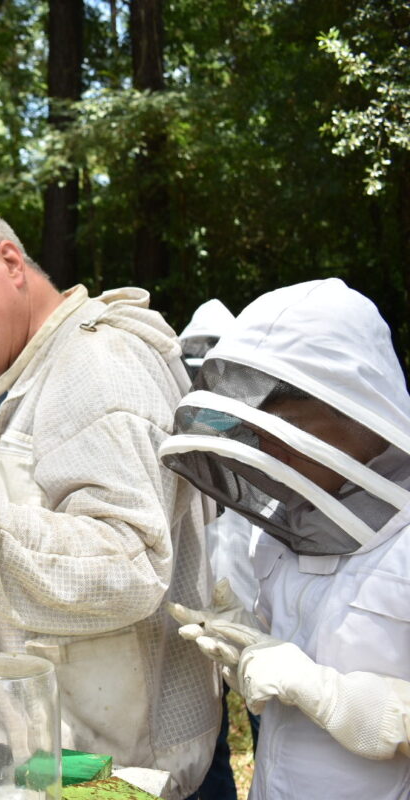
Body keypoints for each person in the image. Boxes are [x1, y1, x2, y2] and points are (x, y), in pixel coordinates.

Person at [0, 198, 219, 798]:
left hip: (116, 775)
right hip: (68, 764)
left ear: (9, 261)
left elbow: (128, 563)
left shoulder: (98, 361)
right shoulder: (41, 370)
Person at [161, 278, 410, 799]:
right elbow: (295, 662)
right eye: (267, 432)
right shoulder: (283, 531)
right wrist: (250, 647)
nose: (278, 452)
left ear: (357, 406)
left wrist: (339, 700)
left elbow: (322, 685)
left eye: (294, 428)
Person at [178, 299, 261, 800]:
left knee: (272, 729)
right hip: (198, 625)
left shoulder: (267, 444)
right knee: (206, 747)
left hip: (263, 627)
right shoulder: (178, 446)